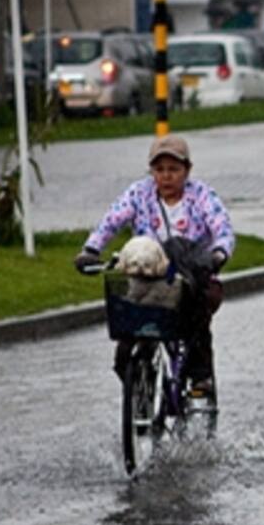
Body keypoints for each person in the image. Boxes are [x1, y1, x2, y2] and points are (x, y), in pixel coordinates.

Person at [74, 135, 234, 395]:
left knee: (197, 317)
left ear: (187, 170)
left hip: (191, 276)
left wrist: (218, 253)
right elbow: (112, 220)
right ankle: (136, 380)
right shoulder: (139, 194)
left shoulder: (202, 196)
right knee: (129, 325)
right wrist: (91, 249)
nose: (166, 176)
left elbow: (222, 228)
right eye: (159, 170)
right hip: (147, 278)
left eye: (174, 169)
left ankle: (200, 376)